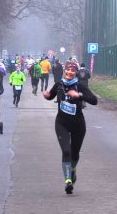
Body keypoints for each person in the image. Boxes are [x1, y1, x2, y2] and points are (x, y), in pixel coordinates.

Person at [43, 61, 98, 194]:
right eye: (67, 70)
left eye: (72, 71)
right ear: (64, 71)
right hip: (61, 123)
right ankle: (68, 180)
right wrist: (47, 96)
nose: (69, 72)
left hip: (78, 125)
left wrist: (79, 96)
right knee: (66, 151)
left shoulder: (79, 86)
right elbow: (51, 96)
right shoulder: (59, 84)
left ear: (76, 73)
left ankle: (72, 171)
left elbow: (94, 100)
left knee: (74, 153)